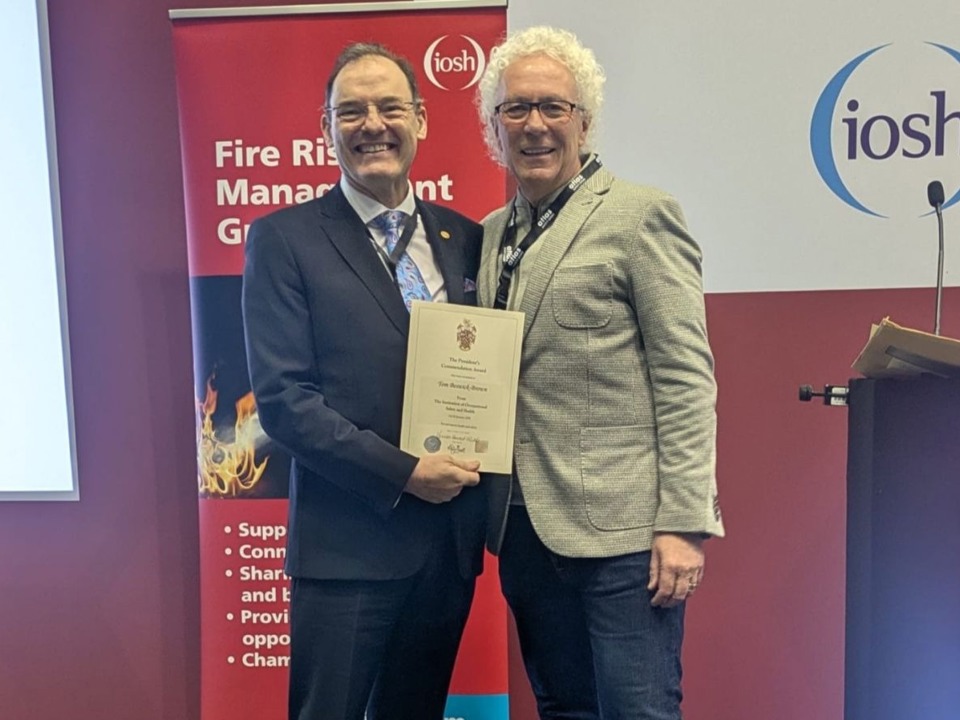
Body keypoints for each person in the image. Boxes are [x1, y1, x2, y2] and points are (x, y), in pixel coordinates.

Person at [475, 26, 725, 719]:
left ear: (584, 121)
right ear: (494, 127)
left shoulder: (641, 217)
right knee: (565, 712)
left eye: (553, 107)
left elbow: (686, 378)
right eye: (515, 109)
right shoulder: (494, 232)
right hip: (524, 532)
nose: (535, 126)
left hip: (624, 540)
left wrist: (684, 523)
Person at [242, 43, 485, 720]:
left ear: (422, 119)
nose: (371, 124)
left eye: (389, 107)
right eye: (350, 111)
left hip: (445, 549)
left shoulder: (465, 238)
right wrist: (406, 472)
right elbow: (286, 404)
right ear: (326, 129)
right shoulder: (283, 239)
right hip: (345, 552)